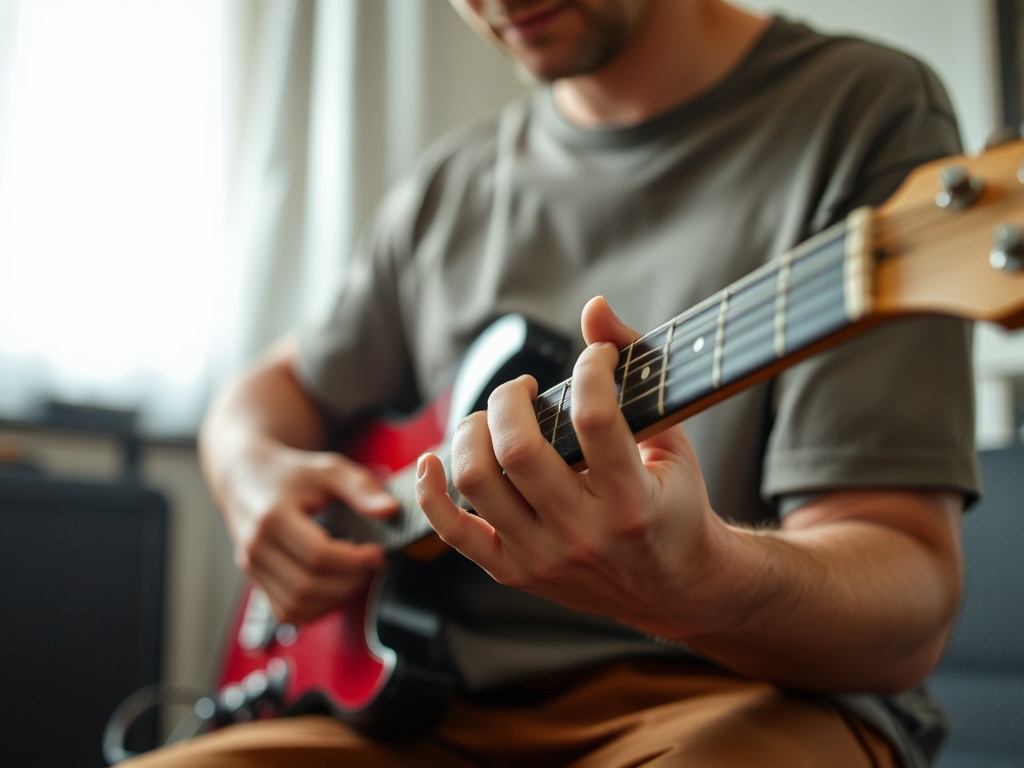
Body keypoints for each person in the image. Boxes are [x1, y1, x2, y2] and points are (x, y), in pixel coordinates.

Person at [125, 0, 980, 765]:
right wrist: (248, 475)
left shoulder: (865, 108)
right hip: (411, 714)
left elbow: (908, 603)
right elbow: (270, 389)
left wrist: (698, 578)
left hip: (734, 704)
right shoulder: (449, 187)